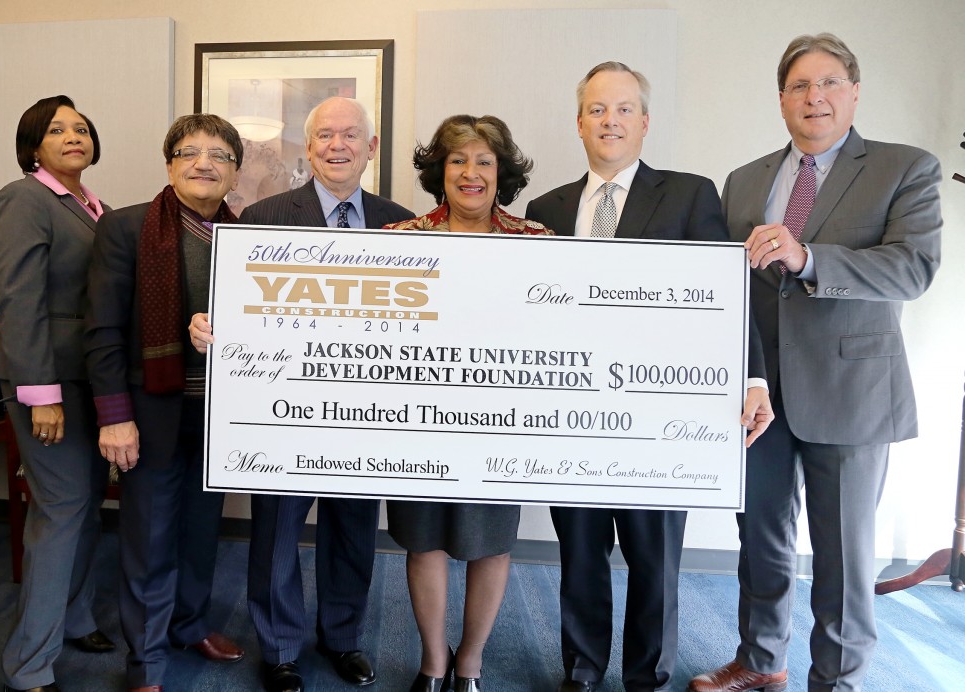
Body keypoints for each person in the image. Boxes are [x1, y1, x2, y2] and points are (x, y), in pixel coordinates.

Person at [689, 33, 941, 692]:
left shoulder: (904, 167)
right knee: (762, 544)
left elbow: (913, 269)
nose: (815, 97)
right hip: (760, 395)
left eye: (829, 82)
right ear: (781, 100)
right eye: (800, 86)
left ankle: (838, 680)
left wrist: (808, 258)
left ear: (854, 92)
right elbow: (728, 290)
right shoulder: (743, 180)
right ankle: (762, 660)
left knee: (844, 559)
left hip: (851, 395)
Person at [525, 62, 772, 692]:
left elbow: (726, 297)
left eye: (624, 109)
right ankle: (581, 670)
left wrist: (752, 379)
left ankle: (647, 677)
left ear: (645, 121)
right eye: (598, 110)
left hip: (660, 417)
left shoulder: (690, 194)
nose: (611, 120)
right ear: (579, 122)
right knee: (579, 553)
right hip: (573, 413)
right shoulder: (546, 207)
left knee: (655, 559)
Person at [190, 96, 412, 692]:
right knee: (277, 534)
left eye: (351, 136)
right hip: (282, 412)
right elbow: (234, 307)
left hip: (366, 412)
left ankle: (343, 640)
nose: (338, 145)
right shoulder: (261, 217)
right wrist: (208, 326)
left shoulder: (403, 222)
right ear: (309, 148)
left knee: (352, 532)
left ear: (370, 148)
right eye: (325, 136)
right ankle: (281, 649)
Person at [385, 114, 552, 692]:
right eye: (458, 160)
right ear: (440, 171)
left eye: (484, 160)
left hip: (501, 427)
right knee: (424, 538)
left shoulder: (536, 241)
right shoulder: (399, 241)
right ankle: (433, 660)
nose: (471, 172)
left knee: (491, 543)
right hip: (418, 424)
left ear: (501, 172)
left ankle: (471, 661)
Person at [84, 114, 247, 692]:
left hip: (217, 414)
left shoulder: (248, 239)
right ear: (169, 164)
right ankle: (147, 662)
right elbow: (102, 331)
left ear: (235, 173)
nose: (204, 163)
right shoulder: (126, 228)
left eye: (219, 154)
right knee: (149, 537)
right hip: (149, 411)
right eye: (189, 151)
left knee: (203, 531)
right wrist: (114, 416)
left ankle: (190, 624)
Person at [0, 95, 115, 692]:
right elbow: (20, 301)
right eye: (57, 129)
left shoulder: (91, 205)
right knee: (61, 511)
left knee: (87, 506)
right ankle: (29, 664)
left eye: (81, 128)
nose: (73, 136)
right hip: (47, 384)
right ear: (32, 144)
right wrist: (41, 395)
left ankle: (77, 617)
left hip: (91, 382)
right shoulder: (24, 199)